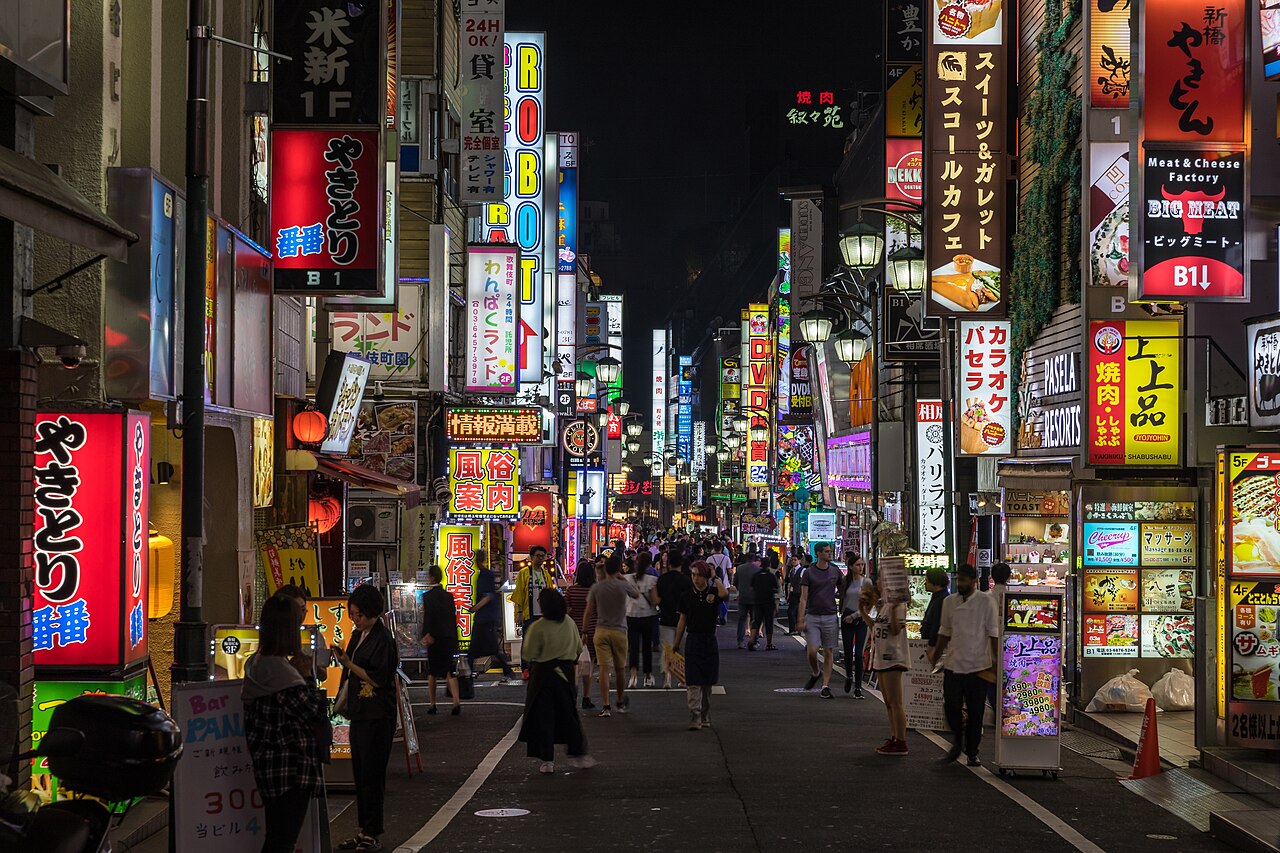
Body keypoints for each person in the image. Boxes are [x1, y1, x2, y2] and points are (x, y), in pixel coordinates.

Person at [243, 594, 329, 853]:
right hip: (288, 770)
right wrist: (307, 676)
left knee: (278, 838)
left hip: (272, 768)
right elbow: (313, 710)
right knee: (282, 841)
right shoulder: (278, 671)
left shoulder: (261, 664)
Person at [332, 584, 399, 853]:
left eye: (358, 614)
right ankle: (363, 830)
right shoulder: (359, 634)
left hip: (377, 714)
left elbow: (379, 678)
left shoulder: (382, 639)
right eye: (352, 614)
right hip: (361, 712)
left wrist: (348, 664)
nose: (354, 618)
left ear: (372, 612)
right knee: (360, 773)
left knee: (371, 774)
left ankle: (372, 832)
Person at [518, 588, 596, 774]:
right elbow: (578, 647)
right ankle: (578, 753)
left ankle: (547, 760)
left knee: (544, 717)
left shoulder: (538, 626)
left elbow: (528, 652)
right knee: (569, 714)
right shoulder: (568, 622)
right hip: (565, 674)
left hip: (542, 677)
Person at [932, 564, 1000, 767]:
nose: (960, 583)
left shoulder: (986, 602)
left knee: (976, 711)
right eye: (958, 579)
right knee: (951, 706)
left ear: (973, 580)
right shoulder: (949, 602)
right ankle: (957, 741)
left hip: (979, 665)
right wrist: (935, 656)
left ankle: (972, 751)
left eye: (963, 580)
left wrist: (995, 662)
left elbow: (993, 634)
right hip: (954, 663)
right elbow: (944, 631)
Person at [583, 554, 640, 716]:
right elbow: (636, 594)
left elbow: (588, 612)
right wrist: (622, 578)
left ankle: (606, 705)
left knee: (603, 668)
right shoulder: (622, 585)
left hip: (601, 630)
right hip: (620, 630)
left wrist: (585, 631)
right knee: (620, 669)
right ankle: (620, 701)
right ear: (619, 569)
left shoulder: (597, 587)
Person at [673, 561, 727, 730]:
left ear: (706, 576)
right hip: (693, 640)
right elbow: (682, 621)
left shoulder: (713, 593)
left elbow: (724, 593)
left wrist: (714, 576)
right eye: (693, 575)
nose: (695, 578)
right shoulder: (686, 596)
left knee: (707, 683)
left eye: (699, 575)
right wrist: (676, 642)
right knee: (693, 681)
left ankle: (705, 715)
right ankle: (695, 716)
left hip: (709, 640)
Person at [864, 578, 909, 754]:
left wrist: (895, 607)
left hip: (894, 656)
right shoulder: (884, 605)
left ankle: (901, 741)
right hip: (882, 656)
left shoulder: (898, 605)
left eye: (883, 581)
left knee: (895, 702)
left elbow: (896, 630)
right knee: (889, 702)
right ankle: (894, 737)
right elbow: (875, 628)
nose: (879, 583)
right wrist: (863, 611)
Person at [796, 542, 840, 698]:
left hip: (830, 615)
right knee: (812, 651)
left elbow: (843, 590)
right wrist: (800, 618)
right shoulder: (809, 572)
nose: (830, 554)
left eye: (830, 551)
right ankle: (816, 672)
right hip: (813, 615)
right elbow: (803, 597)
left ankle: (825, 685)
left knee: (828, 650)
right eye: (827, 552)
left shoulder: (835, 571)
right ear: (819, 553)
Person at [467, 550, 517, 681]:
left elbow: (488, 596)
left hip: (485, 618)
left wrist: (475, 608)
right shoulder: (484, 575)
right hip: (485, 617)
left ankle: (468, 677)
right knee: (486, 649)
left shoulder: (486, 575)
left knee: (478, 650)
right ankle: (506, 671)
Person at [420, 565, 461, 716]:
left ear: (431, 578)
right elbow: (453, 618)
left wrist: (426, 633)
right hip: (449, 636)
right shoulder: (449, 596)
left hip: (435, 637)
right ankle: (456, 701)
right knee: (449, 670)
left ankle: (433, 704)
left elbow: (428, 617)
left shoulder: (428, 596)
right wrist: (455, 638)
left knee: (433, 672)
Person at [563, 559, 598, 709]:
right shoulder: (595, 590)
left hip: (574, 631)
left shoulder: (571, 590)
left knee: (574, 664)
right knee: (589, 664)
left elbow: (566, 608)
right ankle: (586, 697)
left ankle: (573, 694)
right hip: (592, 630)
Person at [655, 550, 693, 688]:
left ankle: (667, 678)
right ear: (682, 564)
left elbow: (657, 599)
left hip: (665, 618)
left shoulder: (662, 579)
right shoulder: (686, 580)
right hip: (682, 619)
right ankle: (682, 679)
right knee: (682, 649)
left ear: (668, 563)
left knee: (667, 649)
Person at [625, 553, 660, 688]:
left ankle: (633, 677)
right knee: (646, 648)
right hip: (647, 616)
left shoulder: (627, 578)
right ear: (649, 564)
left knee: (633, 647)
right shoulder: (651, 580)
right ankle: (647, 676)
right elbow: (655, 600)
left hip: (631, 616)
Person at [838, 554, 869, 696]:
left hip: (861, 619)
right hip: (846, 619)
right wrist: (844, 615)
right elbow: (843, 600)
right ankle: (849, 676)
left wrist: (855, 615)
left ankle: (858, 687)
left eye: (862, 564)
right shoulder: (845, 581)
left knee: (859, 653)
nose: (861, 567)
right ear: (850, 566)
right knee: (848, 652)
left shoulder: (867, 582)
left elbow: (870, 604)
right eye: (858, 565)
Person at [513, 545, 557, 631]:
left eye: (543, 556)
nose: (541, 558)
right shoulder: (524, 573)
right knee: (528, 642)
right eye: (538, 556)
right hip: (529, 615)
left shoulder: (546, 574)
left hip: (544, 615)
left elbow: (551, 594)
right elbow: (519, 593)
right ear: (532, 557)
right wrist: (520, 612)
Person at [750, 554, 780, 650]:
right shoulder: (771, 576)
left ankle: (751, 640)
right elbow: (776, 589)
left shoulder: (756, 575)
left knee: (756, 621)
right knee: (769, 622)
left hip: (757, 600)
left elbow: (751, 588)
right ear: (769, 565)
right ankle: (769, 643)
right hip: (768, 601)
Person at [733, 549, 762, 650]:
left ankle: (740, 641)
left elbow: (735, 582)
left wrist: (740, 589)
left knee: (741, 619)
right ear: (754, 559)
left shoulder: (740, 568)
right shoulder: (758, 569)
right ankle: (755, 639)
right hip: (754, 598)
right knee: (755, 619)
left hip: (743, 597)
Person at [919, 568, 950, 659]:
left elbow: (936, 624)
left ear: (935, 582)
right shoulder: (938, 597)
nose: (925, 583)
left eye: (927, 581)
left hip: (933, 646)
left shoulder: (941, 600)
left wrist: (932, 645)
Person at [706, 541, 733, 626]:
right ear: (721, 549)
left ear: (714, 548)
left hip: (713, 584)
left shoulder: (709, 559)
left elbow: (707, 571)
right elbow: (729, 571)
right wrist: (730, 579)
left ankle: (714, 618)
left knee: (713, 602)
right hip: (724, 584)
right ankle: (723, 618)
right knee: (725, 602)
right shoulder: (726, 558)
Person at [784, 556, 804, 635]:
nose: (793, 561)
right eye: (792, 560)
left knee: (792, 611)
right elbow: (790, 583)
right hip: (793, 593)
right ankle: (794, 629)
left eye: (795, 560)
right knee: (793, 612)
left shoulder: (802, 570)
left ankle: (794, 629)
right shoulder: (792, 570)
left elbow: (804, 583)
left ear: (799, 560)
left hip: (799, 594)